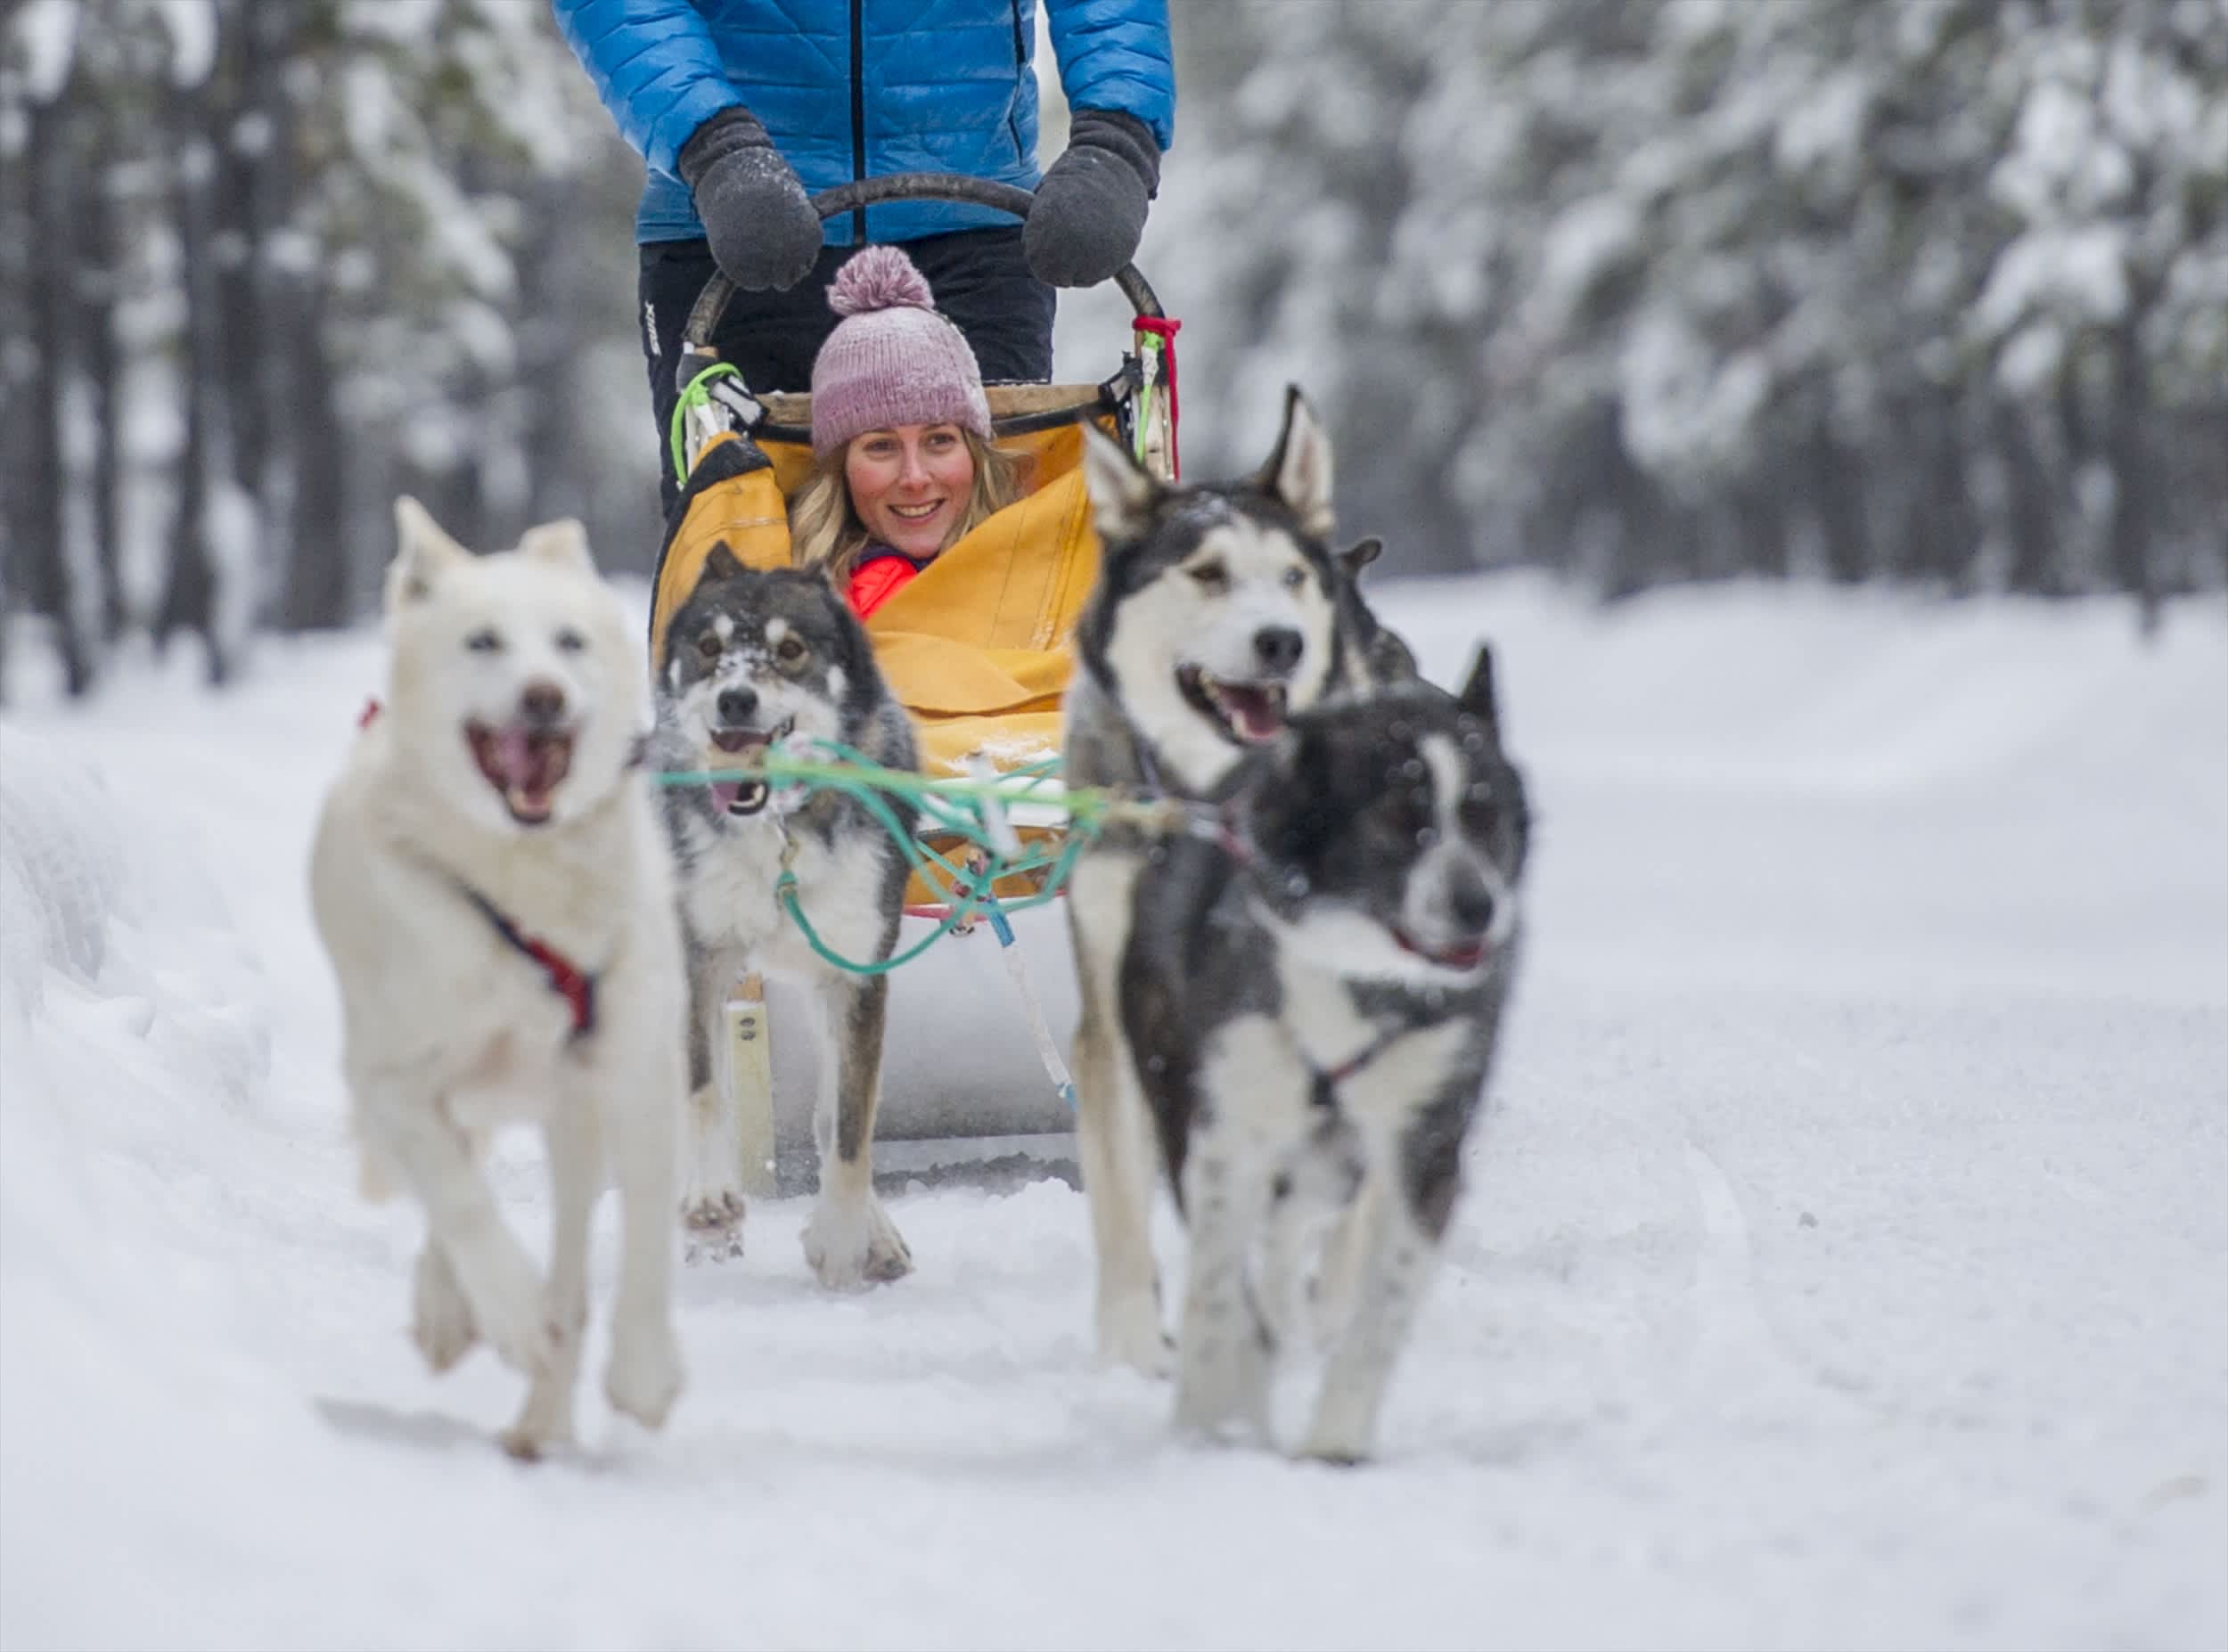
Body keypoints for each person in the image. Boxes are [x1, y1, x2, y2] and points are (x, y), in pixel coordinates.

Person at [549, 0, 1176, 513]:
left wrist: (1118, 140)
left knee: (989, 565)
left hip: (969, 237)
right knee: (733, 546)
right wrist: (714, 147)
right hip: (734, 223)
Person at [789, 246, 1023, 619]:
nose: (914, 478)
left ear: (976, 455)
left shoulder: (1039, 570)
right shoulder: (809, 613)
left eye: (939, 440)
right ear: (841, 469)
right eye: (881, 446)